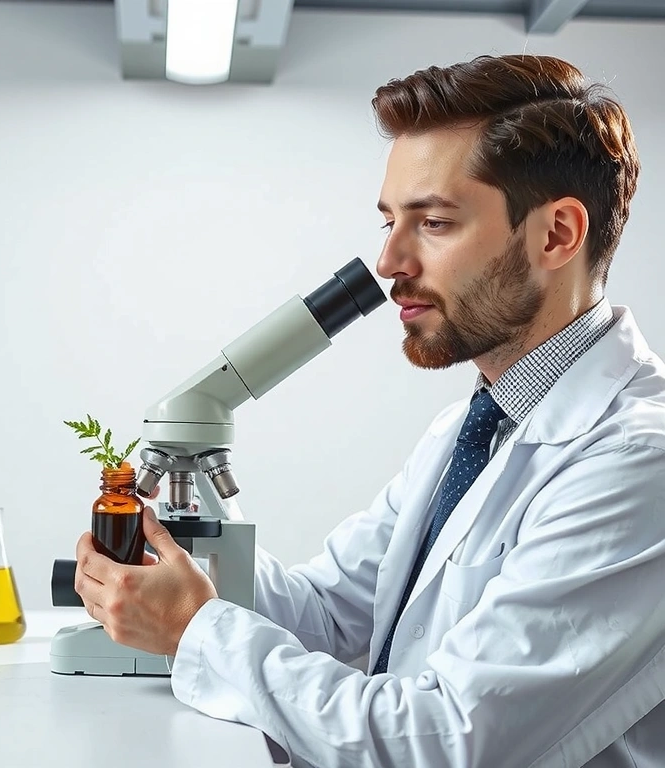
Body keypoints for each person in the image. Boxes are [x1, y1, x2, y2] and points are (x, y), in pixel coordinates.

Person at [73, 53, 665, 767]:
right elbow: (324, 615)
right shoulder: (472, 432)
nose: (388, 261)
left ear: (557, 235)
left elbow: (450, 744)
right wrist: (182, 546)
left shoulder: (637, 463)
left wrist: (196, 627)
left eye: (435, 222)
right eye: (389, 222)